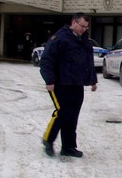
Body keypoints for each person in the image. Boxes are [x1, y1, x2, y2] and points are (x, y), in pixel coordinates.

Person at [40, 13, 97, 158]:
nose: (84, 29)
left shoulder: (84, 40)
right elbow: (46, 60)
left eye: (86, 27)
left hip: (76, 83)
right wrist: (49, 81)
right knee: (62, 113)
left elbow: (88, 61)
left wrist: (93, 80)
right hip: (60, 83)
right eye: (82, 26)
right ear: (74, 22)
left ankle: (68, 147)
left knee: (73, 116)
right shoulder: (60, 38)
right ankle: (48, 140)